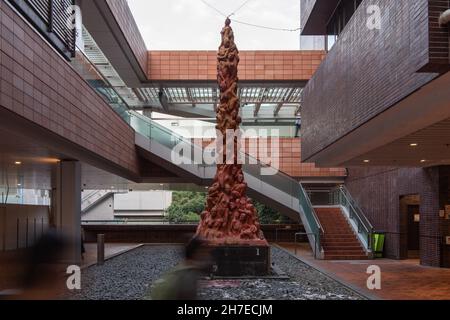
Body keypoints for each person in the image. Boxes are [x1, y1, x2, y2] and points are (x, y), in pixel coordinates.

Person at [148, 237, 213, 300]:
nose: (208, 258)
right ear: (197, 254)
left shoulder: (179, 271)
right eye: (205, 253)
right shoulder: (188, 277)